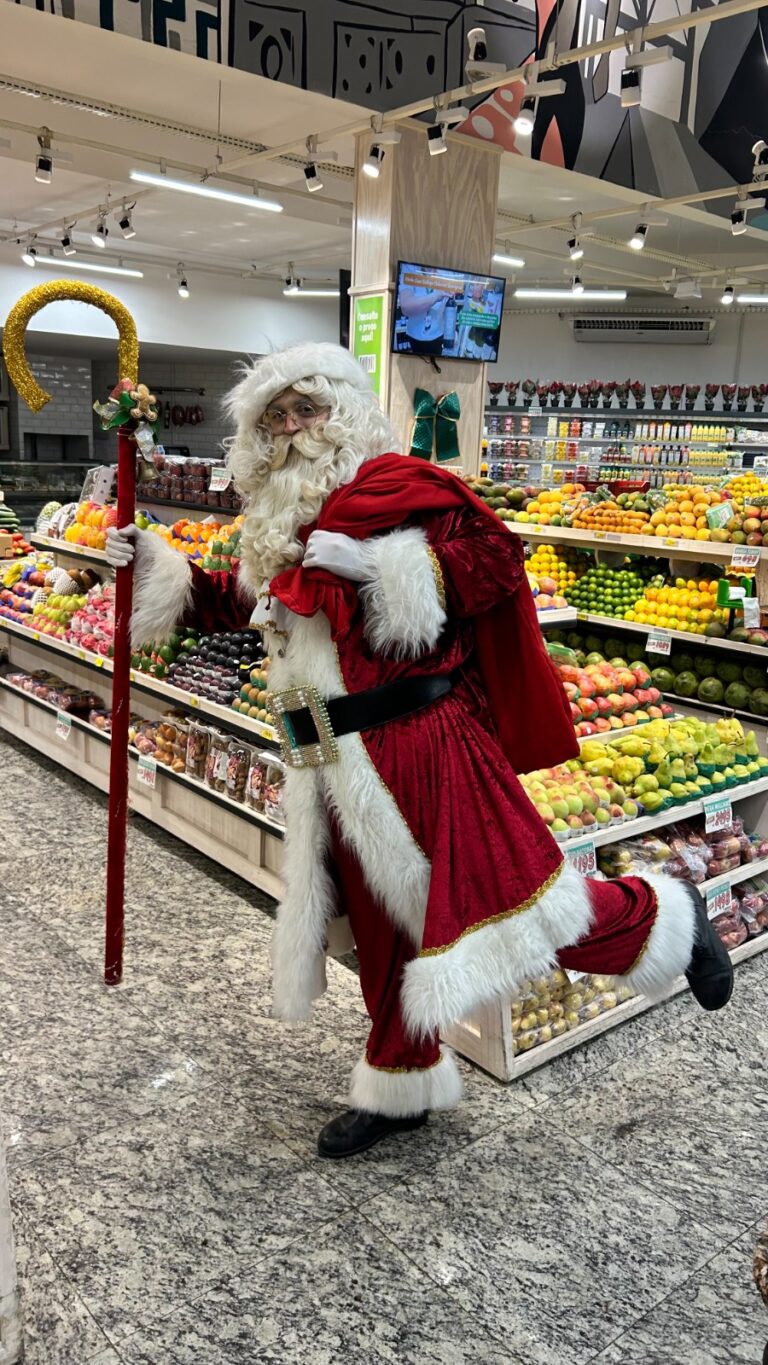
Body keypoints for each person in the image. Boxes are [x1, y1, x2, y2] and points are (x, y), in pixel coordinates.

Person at [106, 342, 733, 1159]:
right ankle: (400, 1082)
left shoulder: (402, 485)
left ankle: (671, 920)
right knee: (383, 931)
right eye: (279, 418)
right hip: (336, 758)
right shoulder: (280, 519)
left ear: (345, 410)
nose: (295, 430)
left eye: (309, 410)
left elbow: (497, 565)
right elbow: (245, 606)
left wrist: (381, 566)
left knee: (517, 904)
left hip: (425, 743)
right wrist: (153, 564)